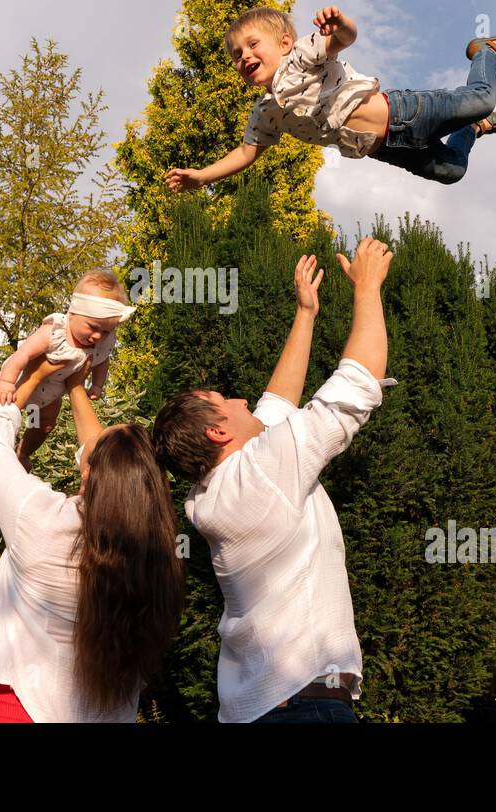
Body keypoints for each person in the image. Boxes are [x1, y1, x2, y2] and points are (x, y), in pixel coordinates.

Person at [151, 238, 395, 722]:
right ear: (219, 432)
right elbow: (358, 384)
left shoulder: (214, 492)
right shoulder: (262, 472)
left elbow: (274, 407)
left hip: (261, 707)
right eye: (228, 401)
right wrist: (368, 288)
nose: (243, 400)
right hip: (303, 708)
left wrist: (306, 314)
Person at [0, 356, 184, 722]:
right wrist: (75, 386)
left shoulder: (40, 518)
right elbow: (111, 469)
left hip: (19, 710)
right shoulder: (159, 553)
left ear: (89, 471)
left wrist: (34, 376)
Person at [166, 5, 496, 191]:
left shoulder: (303, 56)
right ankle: (473, 130)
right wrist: (202, 176)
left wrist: (341, 23)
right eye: (237, 54)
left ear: (285, 44)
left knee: (480, 99)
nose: (244, 56)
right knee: (453, 171)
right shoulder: (266, 112)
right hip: (386, 149)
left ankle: (487, 52)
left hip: (404, 113)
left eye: (253, 45)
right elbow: (246, 153)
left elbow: (345, 39)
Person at [0, 268, 134, 471]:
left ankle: (23, 453)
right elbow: (22, 355)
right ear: (73, 313)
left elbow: (102, 360)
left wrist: (98, 384)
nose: (98, 336)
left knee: (43, 426)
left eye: (106, 331)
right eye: (92, 327)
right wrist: (6, 382)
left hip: (49, 397)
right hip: (20, 382)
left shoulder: (102, 342)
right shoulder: (54, 332)